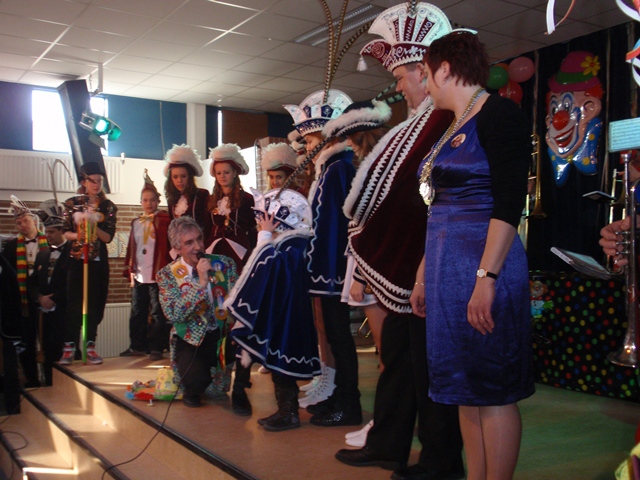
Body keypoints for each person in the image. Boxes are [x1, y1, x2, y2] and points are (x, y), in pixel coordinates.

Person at [334, 3, 464, 479]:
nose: (401, 87)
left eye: (402, 78)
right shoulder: (420, 124)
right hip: (412, 265)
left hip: (431, 265)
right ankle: (389, 444)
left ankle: (440, 461)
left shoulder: (441, 121)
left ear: (422, 71)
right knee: (400, 358)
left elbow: (416, 197)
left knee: (429, 367)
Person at [414, 31, 534, 480]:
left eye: (427, 75)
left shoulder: (499, 114)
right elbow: (438, 210)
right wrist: (424, 275)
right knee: (465, 391)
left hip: (486, 267)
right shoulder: (451, 127)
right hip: (447, 272)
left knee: (493, 389)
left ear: (446, 69)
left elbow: (509, 204)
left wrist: (486, 278)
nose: (426, 86)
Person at [284, 88, 359, 426]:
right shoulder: (329, 168)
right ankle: (339, 396)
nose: (307, 146)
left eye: (311, 139)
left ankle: (349, 403)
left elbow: (332, 225)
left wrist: (321, 267)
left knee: (340, 337)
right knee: (333, 335)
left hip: (333, 268)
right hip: (326, 267)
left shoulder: (338, 168)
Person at [225, 188, 320, 431]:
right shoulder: (290, 244)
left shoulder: (293, 246)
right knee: (278, 365)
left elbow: (269, 269)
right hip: (283, 315)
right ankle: (286, 411)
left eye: (264, 220)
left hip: (287, 319)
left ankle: (289, 414)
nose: (260, 225)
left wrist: (265, 237)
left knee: (282, 365)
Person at [207, 143, 257, 416]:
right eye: (218, 173)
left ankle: (241, 384)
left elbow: (254, 233)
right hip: (217, 263)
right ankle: (218, 378)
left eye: (226, 172)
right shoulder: (211, 201)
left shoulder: (247, 200)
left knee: (240, 318)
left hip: (240, 262)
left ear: (235, 173)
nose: (223, 176)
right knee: (219, 316)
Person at [156, 217, 224, 408]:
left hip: (220, 334)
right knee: (196, 383)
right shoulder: (166, 275)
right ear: (177, 248)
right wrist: (200, 283)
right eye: (189, 243)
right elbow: (174, 315)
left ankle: (239, 391)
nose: (198, 246)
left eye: (199, 239)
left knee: (218, 391)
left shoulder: (223, 264)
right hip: (189, 338)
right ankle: (192, 384)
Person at [60, 162, 118, 365]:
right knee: (74, 304)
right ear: (84, 181)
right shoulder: (71, 204)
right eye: (92, 180)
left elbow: (108, 237)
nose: (96, 184)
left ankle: (90, 345)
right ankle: (70, 346)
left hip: (97, 262)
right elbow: (65, 232)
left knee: (93, 304)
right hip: (76, 260)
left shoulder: (108, 206)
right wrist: (80, 234)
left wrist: (93, 225)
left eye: (99, 181)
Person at [121, 171, 171, 361]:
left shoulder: (165, 221)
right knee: (137, 311)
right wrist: (131, 269)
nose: (148, 203)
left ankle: (157, 347)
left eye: (152, 200)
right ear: (140, 202)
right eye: (145, 200)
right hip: (139, 274)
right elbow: (132, 248)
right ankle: (137, 346)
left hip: (157, 274)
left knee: (158, 313)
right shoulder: (135, 223)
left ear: (158, 201)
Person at [3, 196, 48, 387]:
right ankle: (32, 381)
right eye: (19, 223)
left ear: (34, 221)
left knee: (48, 342)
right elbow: (8, 277)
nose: (23, 225)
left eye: (26, 221)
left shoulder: (49, 242)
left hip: (46, 300)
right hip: (24, 303)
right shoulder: (11, 247)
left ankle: (51, 380)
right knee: (27, 343)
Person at [28, 200, 71, 386]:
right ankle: (48, 388)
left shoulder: (73, 253)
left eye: (52, 232)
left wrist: (54, 299)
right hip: (44, 317)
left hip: (64, 315)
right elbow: (32, 282)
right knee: (46, 353)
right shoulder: (42, 254)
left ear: (62, 231)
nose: (48, 235)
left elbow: (73, 285)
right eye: (47, 231)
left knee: (63, 355)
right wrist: (39, 298)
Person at [163, 144, 211, 242]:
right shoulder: (171, 200)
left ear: (190, 177)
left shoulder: (202, 194)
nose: (179, 180)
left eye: (183, 176)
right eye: (175, 177)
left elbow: (208, 225)